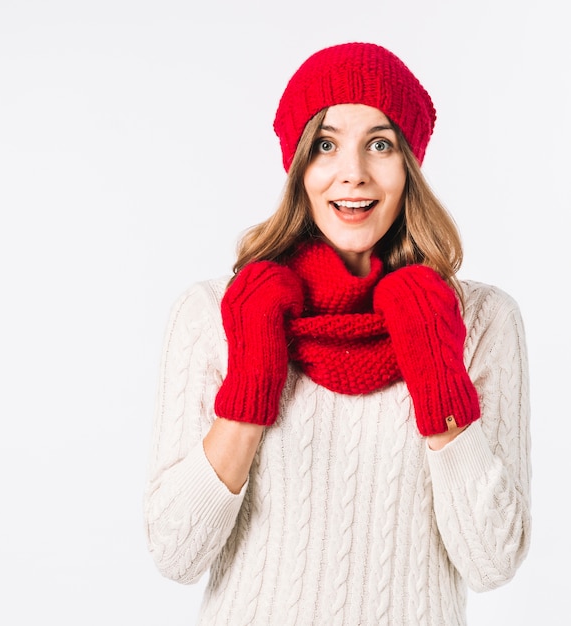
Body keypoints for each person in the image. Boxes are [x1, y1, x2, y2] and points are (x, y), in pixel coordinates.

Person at [143, 42, 531, 625]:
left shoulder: (480, 320)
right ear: (300, 166)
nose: (353, 171)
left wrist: (436, 371)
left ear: (409, 166)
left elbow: (492, 562)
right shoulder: (214, 314)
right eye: (325, 145)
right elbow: (175, 552)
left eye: (380, 144)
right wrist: (251, 383)